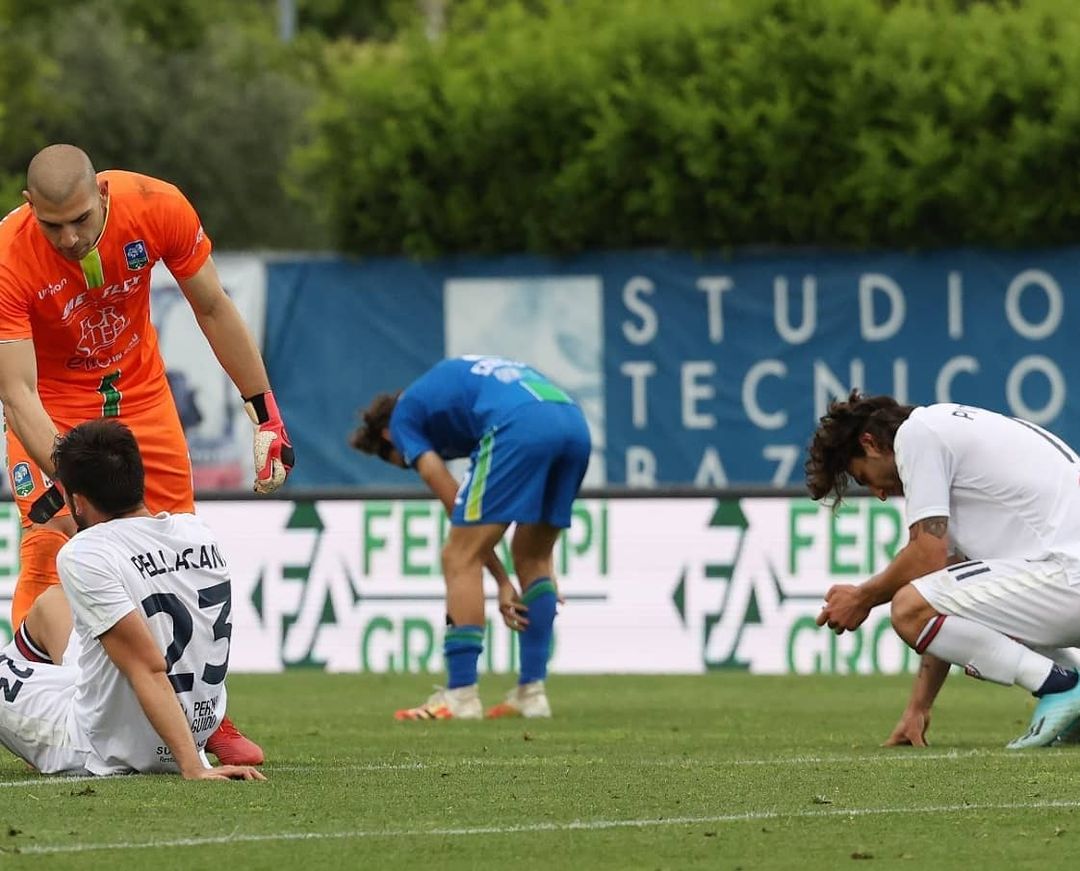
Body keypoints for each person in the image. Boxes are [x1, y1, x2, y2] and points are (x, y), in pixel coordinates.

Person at [0, 144, 294, 765]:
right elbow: (18, 391)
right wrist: (71, 485)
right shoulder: (8, 252)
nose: (71, 237)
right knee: (52, 542)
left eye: (82, 218)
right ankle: (42, 701)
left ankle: (202, 717)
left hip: (140, 396)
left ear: (102, 193)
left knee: (173, 551)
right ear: (30, 208)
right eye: (53, 225)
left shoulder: (156, 205)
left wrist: (264, 413)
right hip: (49, 408)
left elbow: (212, 305)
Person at [808, 391, 1080, 749]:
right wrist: (918, 707)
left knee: (905, 607)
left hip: (1068, 576)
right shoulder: (956, 434)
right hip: (1062, 576)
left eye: (864, 477)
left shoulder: (916, 435)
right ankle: (1070, 692)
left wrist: (862, 597)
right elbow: (944, 594)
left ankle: (1062, 687)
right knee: (921, 601)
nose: (879, 493)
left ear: (870, 443)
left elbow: (926, 557)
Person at [0, 419, 265, 780]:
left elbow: (147, 667)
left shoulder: (85, 552)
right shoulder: (197, 531)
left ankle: (36, 729)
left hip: (111, 742)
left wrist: (193, 767)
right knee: (50, 604)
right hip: (194, 724)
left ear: (77, 501)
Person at [351, 355, 591, 720]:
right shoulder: (445, 386)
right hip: (573, 423)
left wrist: (501, 580)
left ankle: (461, 696)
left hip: (520, 426)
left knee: (456, 556)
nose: (407, 463)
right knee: (534, 557)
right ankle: (531, 693)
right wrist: (514, 575)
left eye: (397, 459)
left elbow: (450, 495)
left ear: (386, 437)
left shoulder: (402, 420)